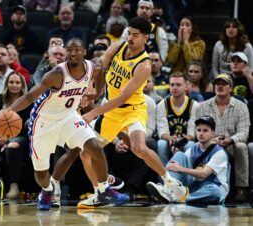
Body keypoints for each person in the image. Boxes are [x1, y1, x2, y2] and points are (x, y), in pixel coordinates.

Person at [7, 38, 129, 210]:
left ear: (84, 52)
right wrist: (9, 111)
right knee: (41, 173)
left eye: (77, 50)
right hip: (43, 121)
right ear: (66, 53)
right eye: (70, 50)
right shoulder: (56, 74)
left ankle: (103, 189)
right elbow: (29, 97)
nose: (73, 53)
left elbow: (101, 72)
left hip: (69, 117)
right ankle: (48, 190)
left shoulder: (93, 67)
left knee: (94, 146)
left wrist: (95, 94)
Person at [81, 17, 189, 207]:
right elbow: (99, 67)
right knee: (86, 153)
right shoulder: (118, 46)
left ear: (146, 37)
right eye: (129, 33)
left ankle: (171, 182)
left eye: (136, 35)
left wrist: (94, 112)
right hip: (111, 111)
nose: (130, 38)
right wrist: (91, 90)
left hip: (132, 110)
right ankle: (100, 192)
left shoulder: (144, 65)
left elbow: (122, 98)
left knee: (139, 148)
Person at [147, 116, 230, 205]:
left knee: (215, 191)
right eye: (199, 130)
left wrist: (180, 168)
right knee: (179, 155)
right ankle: (168, 190)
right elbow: (179, 166)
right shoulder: (193, 148)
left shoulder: (219, 153)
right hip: (194, 186)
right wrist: (176, 161)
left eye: (205, 131)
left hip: (211, 188)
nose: (201, 133)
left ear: (213, 133)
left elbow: (204, 174)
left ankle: (180, 198)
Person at [197, 73, 250, 203]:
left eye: (224, 84)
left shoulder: (241, 106)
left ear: (231, 88)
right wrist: (212, 140)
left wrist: (230, 140)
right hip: (210, 144)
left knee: (242, 146)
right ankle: (199, 187)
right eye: (217, 84)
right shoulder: (203, 106)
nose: (220, 87)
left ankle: (241, 189)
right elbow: (197, 130)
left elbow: (244, 132)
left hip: (231, 144)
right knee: (198, 145)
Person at [0, 71, 32, 199]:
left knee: (12, 145)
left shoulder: (28, 102)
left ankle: (14, 185)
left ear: (22, 85)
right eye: (11, 82)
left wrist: (7, 139)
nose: (14, 85)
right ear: (7, 84)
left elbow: (28, 127)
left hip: (20, 137)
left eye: (18, 82)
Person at [156, 72, 199, 166]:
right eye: (172, 85)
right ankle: (164, 178)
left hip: (185, 140)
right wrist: (170, 138)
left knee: (191, 145)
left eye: (178, 85)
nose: (174, 87)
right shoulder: (162, 105)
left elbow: (192, 134)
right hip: (169, 140)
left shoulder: (194, 105)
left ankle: (187, 177)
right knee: (161, 144)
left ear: (186, 87)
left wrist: (180, 141)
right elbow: (162, 132)